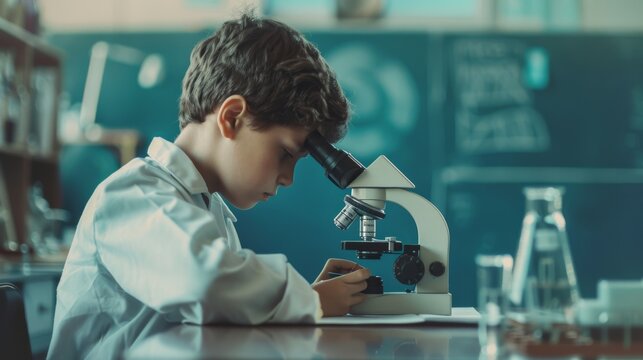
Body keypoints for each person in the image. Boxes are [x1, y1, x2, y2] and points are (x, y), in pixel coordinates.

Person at [47, 12, 370, 359]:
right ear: (232, 118)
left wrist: (302, 297)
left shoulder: (207, 207)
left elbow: (219, 312)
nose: (288, 179)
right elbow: (205, 282)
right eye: (285, 154)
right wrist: (311, 301)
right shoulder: (134, 195)